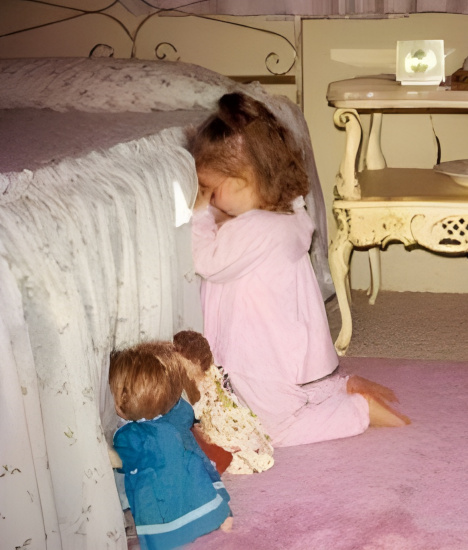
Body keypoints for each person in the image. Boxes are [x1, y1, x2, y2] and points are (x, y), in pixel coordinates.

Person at [189, 92, 409, 448]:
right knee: (258, 404)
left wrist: (197, 215)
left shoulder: (254, 228)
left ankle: (357, 412)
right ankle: (335, 388)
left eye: (211, 190)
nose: (209, 199)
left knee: (273, 429)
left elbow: (206, 261)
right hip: (277, 349)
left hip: (257, 354)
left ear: (241, 182)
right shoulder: (284, 215)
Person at [108, 341, 232, 550]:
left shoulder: (133, 435)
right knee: (199, 495)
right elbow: (188, 416)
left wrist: (104, 454)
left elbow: (122, 460)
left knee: (163, 512)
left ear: (122, 403)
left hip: (161, 491)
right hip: (191, 474)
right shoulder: (177, 411)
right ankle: (218, 516)